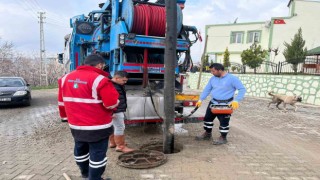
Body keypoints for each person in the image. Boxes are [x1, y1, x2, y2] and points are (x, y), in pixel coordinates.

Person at [58, 54, 119, 180]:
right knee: (97, 154)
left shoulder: (65, 78)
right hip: (98, 126)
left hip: (76, 125)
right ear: (99, 65)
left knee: (80, 150)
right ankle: (94, 178)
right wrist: (114, 108)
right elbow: (111, 103)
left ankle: (85, 174)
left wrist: (65, 117)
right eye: (103, 66)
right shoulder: (100, 80)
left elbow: (61, 101)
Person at [195, 63, 246, 145]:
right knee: (207, 119)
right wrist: (201, 99)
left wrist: (236, 100)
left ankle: (223, 137)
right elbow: (207, 90)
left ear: (220, 70)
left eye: (213, 71)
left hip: (226, 105)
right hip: (213, 103)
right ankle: (207, 134)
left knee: (224, 122)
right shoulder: (213, 79)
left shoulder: (232, 79)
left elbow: (242, 89)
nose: (212, 72)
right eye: (211, 71)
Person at [108, 71, 134, 153]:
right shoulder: (112, 86)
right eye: (124, 80)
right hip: (116, 110)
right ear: (117, 78)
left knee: (113, 127)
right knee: (119, 127)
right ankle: (121, 146)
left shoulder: (115, 84)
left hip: (114, 110)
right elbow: (109, 100)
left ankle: (113, 143)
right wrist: (112, 112)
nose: (125, 82)